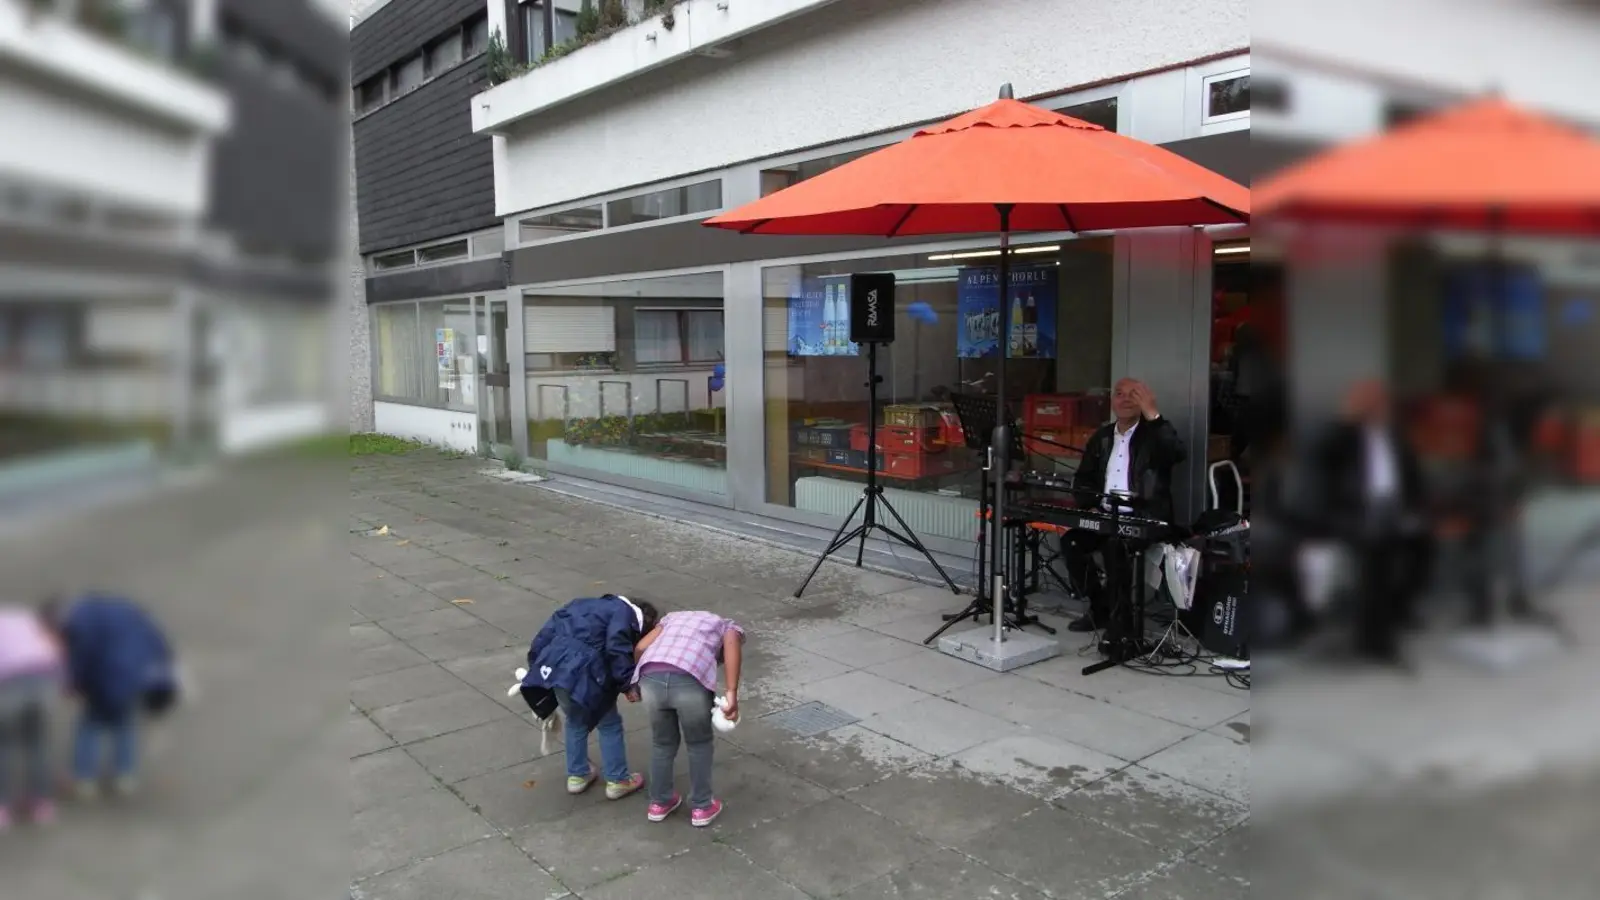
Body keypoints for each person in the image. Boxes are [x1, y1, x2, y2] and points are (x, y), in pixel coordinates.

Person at [1306, 381, 1434, 663]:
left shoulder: (1395, 436)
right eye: (1371, 403)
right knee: (1378, 554)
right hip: (1356, 512)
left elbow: (1413, 476)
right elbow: (1319, 460)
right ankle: (1375, 639)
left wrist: (1415, 509)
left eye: (1381, 403)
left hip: (1395, 508)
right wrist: (1346, 421)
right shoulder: (1345, 437)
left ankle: (1400, 609)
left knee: (1423, 546)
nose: (1378, 409)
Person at [1060, 378, 1188, 633]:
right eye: (1120, 394)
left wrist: (1153, 414)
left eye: (1134, 395)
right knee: (1072, 543)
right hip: (1106, 515)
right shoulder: (1102, 437)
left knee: (1114, 547)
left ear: (1144, 401)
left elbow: (1176, 453)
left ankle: (1121, 621)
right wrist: (1092, 505)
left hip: (1144, 517)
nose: (1126, 399)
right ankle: (1100, 608)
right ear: (1112, 401)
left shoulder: (1153, 435)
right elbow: (1083, 479)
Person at [519, 594, 658, 800]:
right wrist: (628, 684)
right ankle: (618, 779)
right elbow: (616, 647)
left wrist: (537, 667)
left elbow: (545, 634)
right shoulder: (623, 613)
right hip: (588, 674)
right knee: (609, 724)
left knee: (575, 720)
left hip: (557, 669)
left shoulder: (580, 604)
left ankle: (578, 775)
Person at [41, 593, 179, 799]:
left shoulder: (80, 623)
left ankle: (84, 777)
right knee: (123, 722)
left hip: (112, 674)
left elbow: (83, 658)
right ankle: (125, 776)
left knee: (90, 724)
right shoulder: (106, 610)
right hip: (139, 671)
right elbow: (156, 640)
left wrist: (72, 684)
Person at [631, 610, 744, 828]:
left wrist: (636, 680)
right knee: (699, 743)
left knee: (661, 742)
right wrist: (731, 693)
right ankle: (702, 806)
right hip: (689, 680)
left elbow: (640, 648)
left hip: (651, 676)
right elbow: (731, 645)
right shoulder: (726, 624)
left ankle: (659, 802)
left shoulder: (670, 619)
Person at [0, 605, 64, 828]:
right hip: (45, 680)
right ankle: (42, 805)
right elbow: (56, 648)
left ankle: (2, 808)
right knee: (37, 744)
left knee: (4, 747)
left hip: (10, 685)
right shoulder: (25, 618)